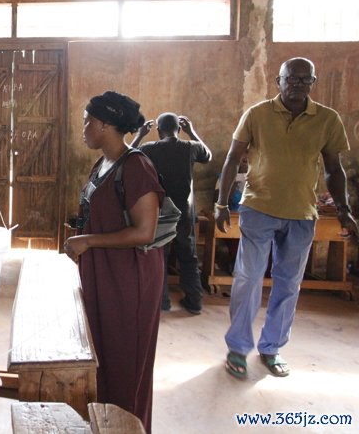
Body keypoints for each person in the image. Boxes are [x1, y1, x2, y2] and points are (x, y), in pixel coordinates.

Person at [216, 57, 358, 380]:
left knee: (289, 283)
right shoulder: (257, 114)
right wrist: (221, 204)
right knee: (248, 277)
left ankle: (271, 348)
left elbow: (334, 170)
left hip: (301, 214)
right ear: (278, 81)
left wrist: (344, 210)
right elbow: (232, 158)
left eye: (304, 79)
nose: (297, 85)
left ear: (313, 83)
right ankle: (238, 348)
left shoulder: (327, 119)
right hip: (258, 209)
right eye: (291, 79)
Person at [63, 91, 164, 434]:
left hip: (128, 281)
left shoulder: (136, 166)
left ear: (105, 125)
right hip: (104, 274)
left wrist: (89, 240)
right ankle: (105, 425)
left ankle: (128, 427)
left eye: (87, 122)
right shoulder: (103, 164)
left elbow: (145, 231)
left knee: (125, 366)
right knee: (103, 359)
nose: (83, 129)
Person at [131, 113, 212, 314]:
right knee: (188, 255)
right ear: (179, 129)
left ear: (158, 130)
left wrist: (140, 135)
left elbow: (127, 158)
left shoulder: (150, 148)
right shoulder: (191, 147)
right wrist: (192, 132)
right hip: (185, 212)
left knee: (160, 255)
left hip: (161, 212)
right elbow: (208, 156)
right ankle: (194, 301)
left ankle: (162, 301)